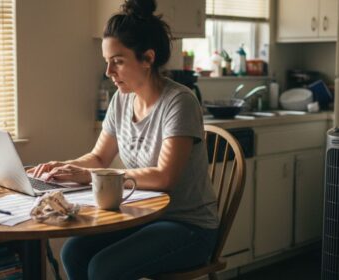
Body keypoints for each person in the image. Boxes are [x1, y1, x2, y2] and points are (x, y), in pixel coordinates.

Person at [29, 0, 219, 278]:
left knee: (103, 268)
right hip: (144, 216)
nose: (109, 72)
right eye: (107, 62)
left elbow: (164, 177)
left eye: (117, 61)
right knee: (73, 252)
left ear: (148, 58)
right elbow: (98, 157)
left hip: (188, 225)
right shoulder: (121, 99)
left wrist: (88, 175)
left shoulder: (179, 102)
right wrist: (61, 167)